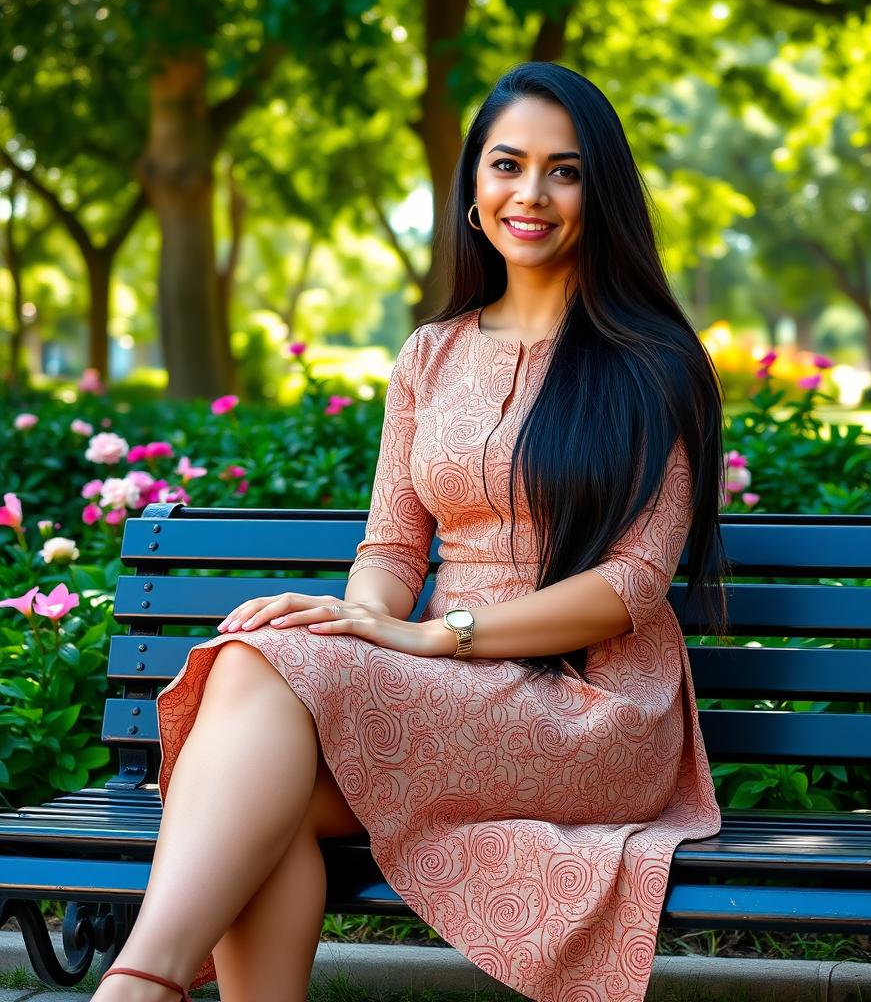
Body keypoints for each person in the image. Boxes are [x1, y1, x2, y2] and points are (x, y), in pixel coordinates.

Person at [94, 61, 728, 1002]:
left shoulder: (654, 364)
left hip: (589, 709)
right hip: (444, 690)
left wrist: (432, 637)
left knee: (249, 738)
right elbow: (391, 551)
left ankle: (139, 985)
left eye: (566, 171)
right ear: (473, 185)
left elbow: (630, 586)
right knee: (268, 745)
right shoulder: (430, 355)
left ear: (602, 193)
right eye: (508, 164)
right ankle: (148, 985)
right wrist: (358, 631)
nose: (532, 193)